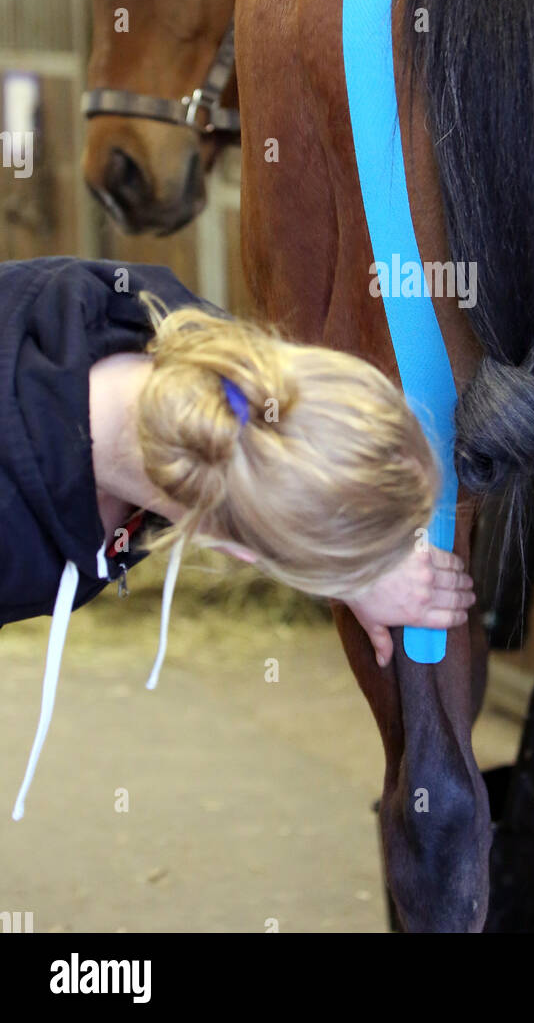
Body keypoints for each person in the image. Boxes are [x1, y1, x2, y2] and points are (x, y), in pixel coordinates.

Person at [0, 257, 474, 820]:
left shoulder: (162, 331)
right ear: (239, 552)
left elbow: (264, 447)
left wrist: (355, 568)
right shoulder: (17, 542)